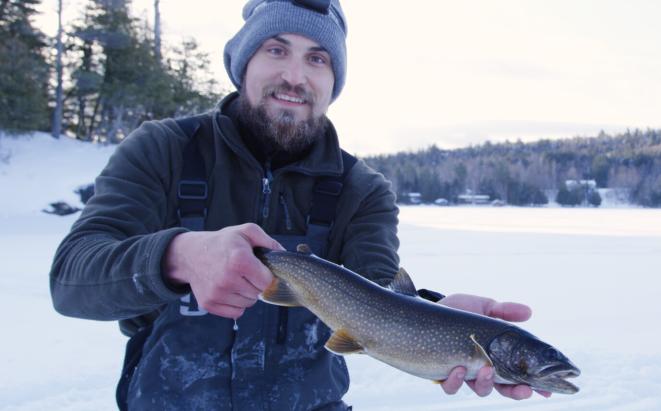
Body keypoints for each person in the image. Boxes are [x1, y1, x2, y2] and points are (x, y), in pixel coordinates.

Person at [48, 0, 546, 409]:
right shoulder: (163, 149)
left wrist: (442, 322)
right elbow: (71, 278)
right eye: (276, 49)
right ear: (243, 63)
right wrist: (179, 255)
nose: (294, 75)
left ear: (333, 81)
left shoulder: (361, 189)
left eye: (317, 58)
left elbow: (376, 298)